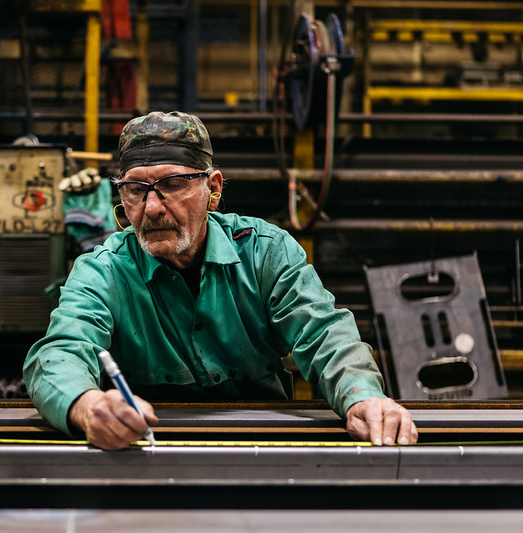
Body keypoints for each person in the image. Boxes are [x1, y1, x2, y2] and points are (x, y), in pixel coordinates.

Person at [23, 111, 418, 451]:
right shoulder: (103, 271)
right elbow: (59, 353)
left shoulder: (265, 251)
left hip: (265, 450)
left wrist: (363, 398)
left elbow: (324, 334)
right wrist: (87, 405)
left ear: (212, 189)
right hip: (145, 450)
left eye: (172, 184)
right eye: (135, 190)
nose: (153, 207)